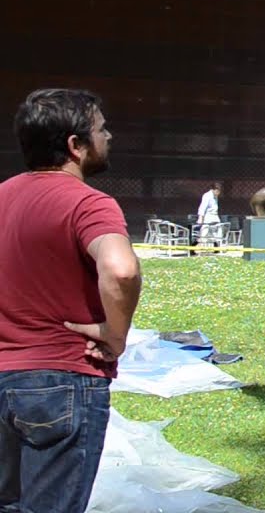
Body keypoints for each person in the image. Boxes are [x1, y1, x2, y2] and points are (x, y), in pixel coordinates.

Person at [0, 88, 142, 512]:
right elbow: (121, 269)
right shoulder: (89, 203)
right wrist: (115, 335)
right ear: (75, 145)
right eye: (101, 129)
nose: (109, 136)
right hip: (61, 380)